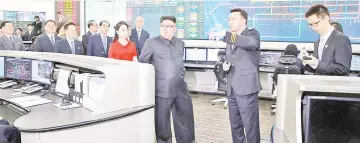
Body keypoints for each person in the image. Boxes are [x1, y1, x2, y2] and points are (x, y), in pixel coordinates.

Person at [139, 16, 195, 143]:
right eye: (163, 26)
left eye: (169, 26)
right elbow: (143, 65)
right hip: (162, 91)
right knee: (162, 125)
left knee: (185, 122)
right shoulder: (151, 43)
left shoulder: (180, 43)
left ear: (174, 28)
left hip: (181, 90)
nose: (165, 29)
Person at [210, 8, 262, 143]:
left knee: (250, 125)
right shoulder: (231, 40)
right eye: (229, 19)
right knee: (235, 126)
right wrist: (225, 66)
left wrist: (227, 35)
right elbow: (233, 59)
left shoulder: (252, 34)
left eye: (233, 19)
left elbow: (250, 43)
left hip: (247, 88)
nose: (230, 22)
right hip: (232, 88)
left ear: (243, 20)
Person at [303, 4, 352, 76]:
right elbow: (318, 69)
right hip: (318, 84)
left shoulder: (341, 39)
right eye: (310, 25)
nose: (313, 27)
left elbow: (343, 69)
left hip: (333, 85)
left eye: (315, 23)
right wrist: (306, 61)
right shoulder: (317, 42)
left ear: (326, 19)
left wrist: (317, 63)